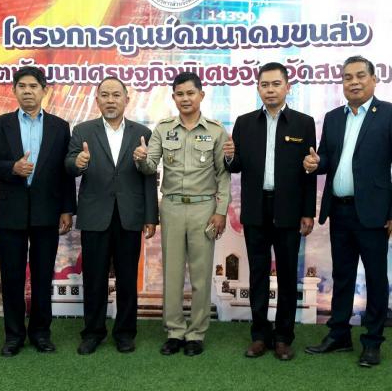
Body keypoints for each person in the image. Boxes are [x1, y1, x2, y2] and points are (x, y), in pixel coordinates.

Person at [223, 62, 316, 360]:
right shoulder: (245, 123)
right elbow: (236, 166)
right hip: (256, 210)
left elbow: (309, 171)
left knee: (287, 276)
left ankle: (284, 337)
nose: (270, 90)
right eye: (265, 85)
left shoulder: (303, 123)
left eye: (276, 84)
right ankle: (260, 335)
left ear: (288, 87)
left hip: (289, 210)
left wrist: (307, 212)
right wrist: (229, 157)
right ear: (258, 88)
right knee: (258, 274)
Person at [133, 72, 231, 356]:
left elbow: (223, 175)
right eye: (179, 94)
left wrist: (221, 211)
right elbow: (150, 167)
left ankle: (196, 333)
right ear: (173, 97)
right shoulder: (163, 129)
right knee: (172, 274)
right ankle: (175, 331)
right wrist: (141, 159)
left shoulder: (216, 130)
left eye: (190, 93)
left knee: (201, 275)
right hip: (172, 207)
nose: (185, 98)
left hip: (204, 208)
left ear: (201, 95)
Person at [304, 56, 391, 367]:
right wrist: (316, 163)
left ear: (374, 79)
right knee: (342, 275)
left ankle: (372, 341)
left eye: (360, 76)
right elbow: (327, 158)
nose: (353, 82)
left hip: (374, 213)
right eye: (347, 77)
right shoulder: (333, 118)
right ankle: (339, 334)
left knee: (376, 279)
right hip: (339, 211)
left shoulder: (388, 114)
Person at [65, 77, 158, 355]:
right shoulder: (83, 130)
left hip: (130, 215)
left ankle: (125, 333)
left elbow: (149, 176)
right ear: (97, 100)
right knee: (94, 278)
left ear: (127, 99)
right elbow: (68, 164)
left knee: (127, 278)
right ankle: (92, 333)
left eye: (116, 95)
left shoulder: (142, 132)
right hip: (96, 215)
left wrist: (151, 216)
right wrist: (78, 163)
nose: (110, 100)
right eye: (104, 95)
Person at [0, 66, 76, 357]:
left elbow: (65, 172)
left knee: (42, 276)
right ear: (14, 90)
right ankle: (14, 336)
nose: (28, 91)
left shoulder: (59, 126)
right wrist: (11, 168)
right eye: (22, 86)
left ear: (44, 91)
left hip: (47, 211)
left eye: (33, 86)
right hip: (11, 212)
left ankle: (41, 333)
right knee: (12, 277)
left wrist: (67, 209)